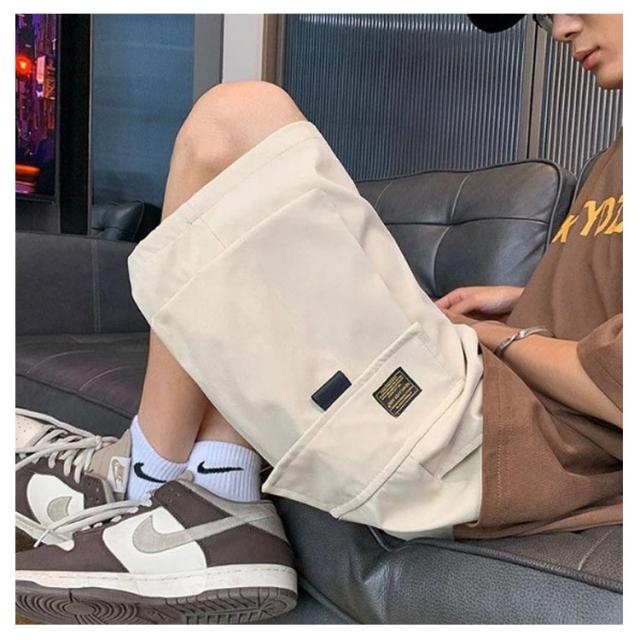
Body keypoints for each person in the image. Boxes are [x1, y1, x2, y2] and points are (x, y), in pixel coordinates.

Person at [15, 13, 622, 624]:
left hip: (506, 442)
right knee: (256, 241)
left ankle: (148, 476)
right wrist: (523, 294)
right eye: (543, 15)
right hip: (495, 402)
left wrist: (502, 336)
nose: (561, 27)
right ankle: (209, 490)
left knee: (237, 118)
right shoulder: (617, 155)